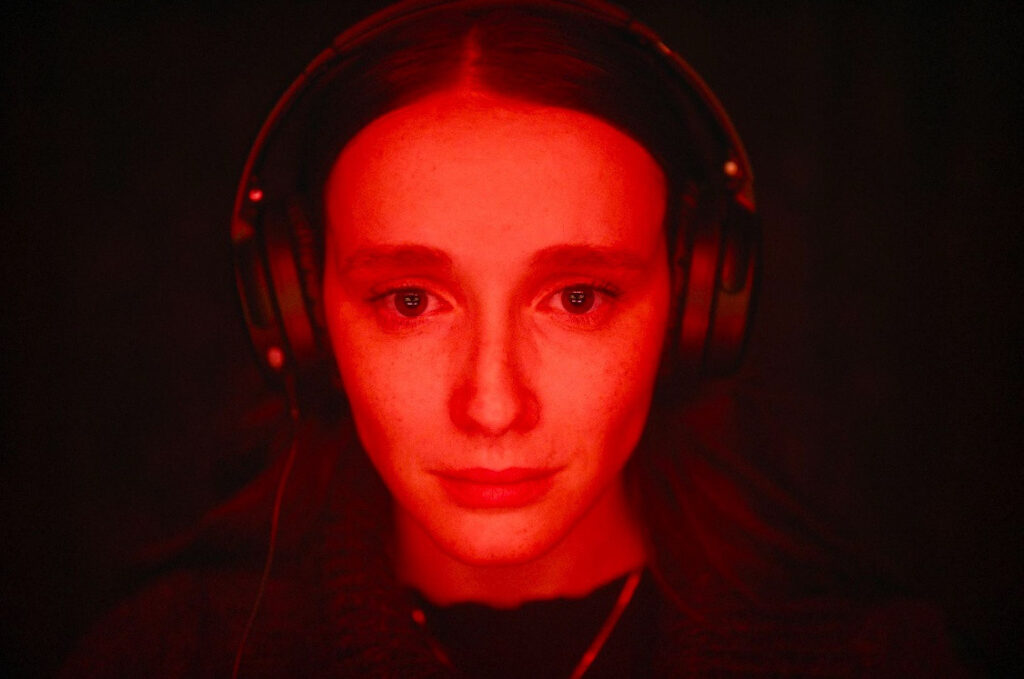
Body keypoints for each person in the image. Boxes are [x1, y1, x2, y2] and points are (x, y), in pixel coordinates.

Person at [61, 1, 967, 676]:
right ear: (299, 309)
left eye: (576, 297)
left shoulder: (881, 660)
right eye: (410, 300)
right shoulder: (165, 657)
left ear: (695, 304)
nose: (493, 405)